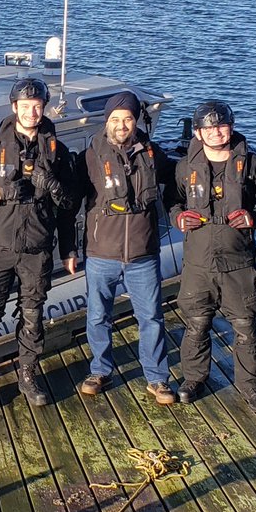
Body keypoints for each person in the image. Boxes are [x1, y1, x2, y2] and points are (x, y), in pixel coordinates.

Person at [0, 77, 75, 415]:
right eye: (25, 106)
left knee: (32, 315)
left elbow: (69, 206)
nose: (32, 112)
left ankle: (28, 374)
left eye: (37, 106)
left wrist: (52, 185)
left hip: (38, 248)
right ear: (14, 108)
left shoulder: (58, 151)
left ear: (45, 107)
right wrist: (0, 193)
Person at [166, 100, 256, 413]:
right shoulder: (185, 165)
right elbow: (172, 199)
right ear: (198, 132)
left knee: (245, 325)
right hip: (198, 260)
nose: (216, 132)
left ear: (230, 126)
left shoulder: (252, 162)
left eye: (221, 125)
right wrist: (178, 217)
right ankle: (193, 378)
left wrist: (255, 217)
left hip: (238, 261)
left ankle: (250, 386)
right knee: (196, 323)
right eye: (208, 127)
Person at [68, 91, 178, 405]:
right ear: (107, 122)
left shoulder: (153, 153)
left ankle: (157, 379)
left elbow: (178, 182)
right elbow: (71, 204)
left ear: (135, 121)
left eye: (127, 118)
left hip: (143, 253)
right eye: (115, 119)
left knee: (152, 318)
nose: (121, 125)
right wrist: (69, 248)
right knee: (97, 316)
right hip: (102, 253)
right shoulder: (90, 156)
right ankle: (100, 370)